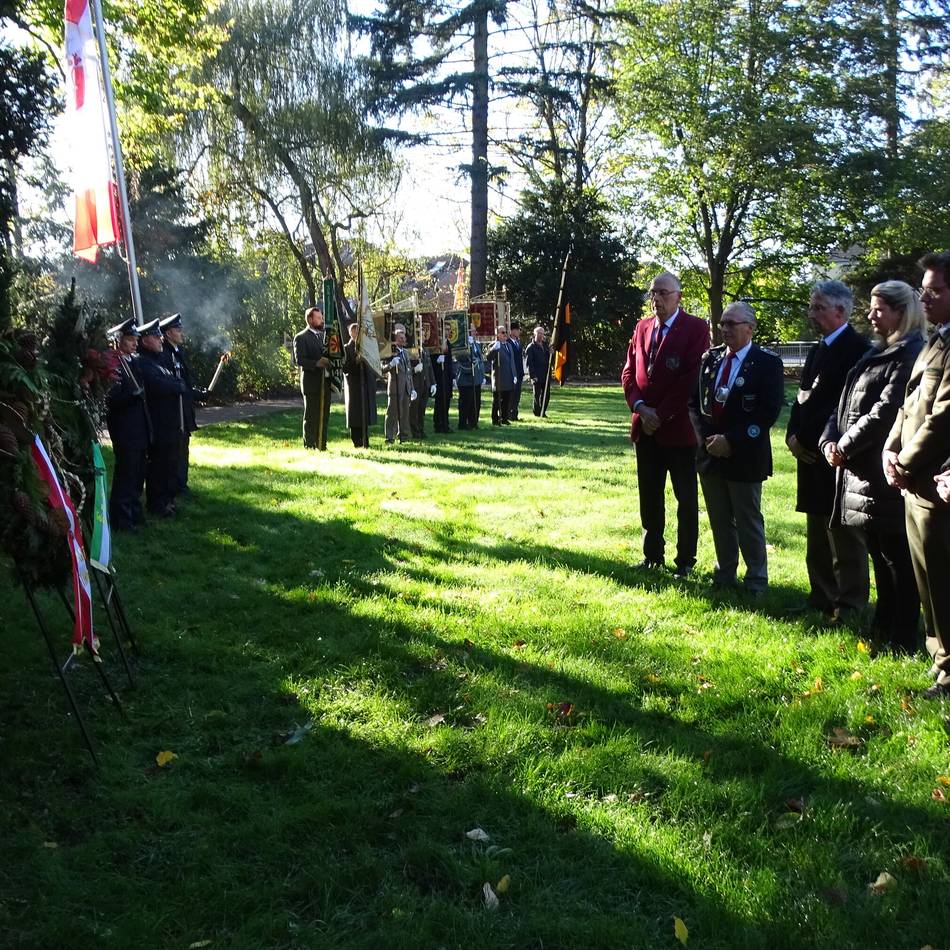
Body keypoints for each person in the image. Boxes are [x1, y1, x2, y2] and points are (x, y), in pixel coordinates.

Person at [819, 281, 926, 653]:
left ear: (900, 312)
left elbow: (885, 411)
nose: (870, 315)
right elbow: (844, 402)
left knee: (898, 559)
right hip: (859, 471)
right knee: (880, 554)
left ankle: (902, 636)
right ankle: (883, 627)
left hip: (884, 473)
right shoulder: (878, 352)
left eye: (878, 309)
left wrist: (843, 447)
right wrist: (829, 440)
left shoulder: (910, 354)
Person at [883, 252, 950, 697]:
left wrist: (905, 463)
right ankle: (940, 659)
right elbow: (910, 404)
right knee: (927, 580)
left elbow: (944, 415)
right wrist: (891, 448)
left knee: (943, 581)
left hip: (933, 483)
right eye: (923, 289)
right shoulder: (936, 341)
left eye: (935, 290)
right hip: (913, 482)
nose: (924, 297)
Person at [787, 279, 871, 624]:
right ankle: (820, 595)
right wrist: (793, 435)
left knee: (842, 534)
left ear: (841, 311)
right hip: (808, 456)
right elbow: (802, 398)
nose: (812, 314)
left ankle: (849, 604)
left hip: (836, 456)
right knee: (817, 532)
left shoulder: (858, 349)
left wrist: (819, 440)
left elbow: (843, 407)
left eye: (818, 307)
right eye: (811, 306)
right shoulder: (820, 348)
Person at [690, 302, 784, 594]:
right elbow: (695, 404)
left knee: (748, 519)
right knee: (719, 519)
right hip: (710, 453)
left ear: (750, 328)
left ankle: (756, 579)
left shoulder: (767, 363)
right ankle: (724, 572)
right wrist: (709, 440)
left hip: (745, 454)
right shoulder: (711, 358)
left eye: (732, 324)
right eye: (722, 324)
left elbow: (767, 412)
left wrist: (731, 441)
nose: (725, 329)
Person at [621, 271, 709, 576]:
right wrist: (641, 408)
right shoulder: (642, 327)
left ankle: (685, 560)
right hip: (645, 429)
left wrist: (661, 415)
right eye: (652, 293)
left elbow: (691, 377)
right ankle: (652, 555)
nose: (656, 299)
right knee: (650, 495)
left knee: (685, 498)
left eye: (663, 293)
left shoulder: (696, 328)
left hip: (679, 430)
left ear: (678, 297)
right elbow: (629, 373)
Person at [136, 318, 186, 518]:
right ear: (145, 340)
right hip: (158, 423)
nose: (159, 339)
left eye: (159, 335)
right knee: (159, 465)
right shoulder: (143, 362)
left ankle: (167, 500)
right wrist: (176, 386)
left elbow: (176, 381)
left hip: (170, 422)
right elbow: (161, 386)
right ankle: (157, 503)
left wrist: (176, 386)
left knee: (170, 463)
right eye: (155, 336)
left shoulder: (158, 362)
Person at [105, 319, 150, 531]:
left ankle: (134, 511)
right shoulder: (113, 364)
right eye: (130, 339)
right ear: (118, 341)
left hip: (139, 427)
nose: (134, 344)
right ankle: (121, 519)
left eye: (135, 339)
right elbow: (110, 399)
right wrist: (131, 396)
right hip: (124, 428)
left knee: (138, 472)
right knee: (126, 473)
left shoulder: (133, 362)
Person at [159, 313, 202, 497]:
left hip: (184, 410)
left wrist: (197, 393)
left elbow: (185, 382)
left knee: (183, 449)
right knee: (176, 452)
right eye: (178, 329)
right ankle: (176, 486)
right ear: (168, 333)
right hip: (175, 413)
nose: (181, 332)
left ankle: (181, 484)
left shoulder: (177, 352)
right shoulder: (166, 355)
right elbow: (175, 385)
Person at [293, 304, 332, 450]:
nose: (322, 321)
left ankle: (322, 444)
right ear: (310, 319)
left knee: (324, 415)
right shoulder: (301, 337)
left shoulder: (323, 337)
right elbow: (300, 360)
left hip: (325, 382)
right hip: (311, 383)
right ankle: (309, 445)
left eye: (322, 318)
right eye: (318, 318)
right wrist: (316, 363)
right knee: (311, 416)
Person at [342, 322, 378, 448]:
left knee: (364, 414)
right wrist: (356, 362)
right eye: (355, 332)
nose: (357, 335)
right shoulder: (346, 348)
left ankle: (365, 441)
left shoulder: (366, 348)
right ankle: (356, 441)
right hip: (354, 386)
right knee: (355, 415)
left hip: (366, 385)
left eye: (359, 332)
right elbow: (345, 368)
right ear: (351, 333)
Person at [383, 325, 415, 443]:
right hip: (395, 388)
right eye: (400, 338)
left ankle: (403, 435)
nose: (403, 339)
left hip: (406, 387)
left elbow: (408, 372)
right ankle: (389, 437)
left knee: (404, 414)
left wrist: (412, 388)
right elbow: (382, 369)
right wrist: (391, 364)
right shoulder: (390, 352)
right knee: (392, 414)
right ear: (395, 339)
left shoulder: (405, 352)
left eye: (404, 337)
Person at [456, 326, 485, 430]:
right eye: (472, 331)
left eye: (474, 331)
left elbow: (480, 359)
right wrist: (471, 357)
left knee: (476, 402)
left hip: (476, 377)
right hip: (466, 378)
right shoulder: (462, 344)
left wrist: (482, 374)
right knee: (465, 402)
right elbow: (460, 357)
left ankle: (473, 422)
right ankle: (463, 423)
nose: (474, 332)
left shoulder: (476, 344)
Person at [486, 324, 515, 425]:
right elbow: (488, 358)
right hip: (499, 377)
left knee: (506, 400)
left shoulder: (509, 345)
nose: (505, 334)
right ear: (497, 334)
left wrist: (514, 375)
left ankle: (504, 418)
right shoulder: (493, 345)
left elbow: (512, 362)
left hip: (508, 376)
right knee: (497, 400)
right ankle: (495, 419)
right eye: (502, 332)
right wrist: (494, 349)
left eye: (506, 332)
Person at [409, 345, 436, 439]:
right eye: (421, 333)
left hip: (425, 383)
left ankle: (421, 429)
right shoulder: (412, 349)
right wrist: (414, 370)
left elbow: (429, 367)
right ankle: (414, 431)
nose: (423, 336)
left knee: (422, 409)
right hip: (416, 383)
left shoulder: (425, 349)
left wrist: (433, 383)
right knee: (414, 409)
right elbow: (407, 368)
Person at [524, 325, 550, 417]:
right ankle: (537, 412)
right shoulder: (531, 347)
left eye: (542, 333)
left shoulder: (546, 346)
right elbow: (529, 364)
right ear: (535, 334)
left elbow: (549, 358)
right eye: (539, 333)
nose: (541, 335)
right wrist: (532, 376)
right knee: (537, 395)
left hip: (546, 375)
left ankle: (543, 411)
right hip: (536, 375)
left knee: (546, 395)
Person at [432, 333, 454, 434]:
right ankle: (438, 424)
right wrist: (437, 361)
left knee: (447, 400)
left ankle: (446, 423)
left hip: (447, 376)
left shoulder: (448, 343)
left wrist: (452, 376)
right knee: (440, 400)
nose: (448, 332)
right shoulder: (436, 342)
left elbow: (450, 361)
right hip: (439, 376)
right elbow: (431, 358)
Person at [508, 321, 525, 420]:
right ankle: (509, 414)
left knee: (517, 395)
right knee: (511, 395)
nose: (519, 332)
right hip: (512, 373)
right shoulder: (508, 342)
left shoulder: (518, 342)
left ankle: (515, 414)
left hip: (519, 373)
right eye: (517, 330)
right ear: (512, 331)